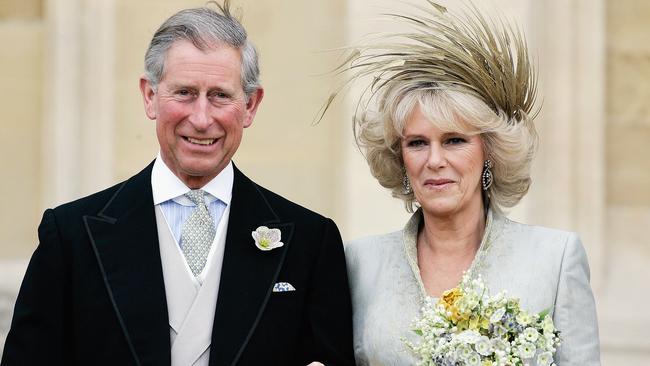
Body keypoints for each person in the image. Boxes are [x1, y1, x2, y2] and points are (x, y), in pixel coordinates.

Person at [1, 2, 355, 366]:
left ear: (250, 105)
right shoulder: (72, 236)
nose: (201, 119)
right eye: (184, 92)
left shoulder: (310, 243)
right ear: (149, 96)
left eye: (220, 95)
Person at [335, 2, 600, 365]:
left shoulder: (554, 257)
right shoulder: (360, 263)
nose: (434, 160)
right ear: (400, 158)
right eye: (417, 143)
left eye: (454, 140)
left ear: (488, 151)